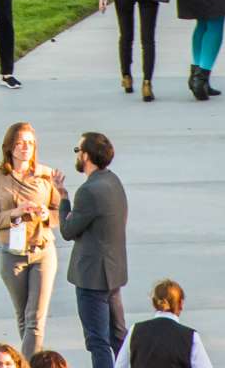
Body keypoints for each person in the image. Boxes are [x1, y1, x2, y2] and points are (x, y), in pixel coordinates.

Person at [0, 121, 63, 360]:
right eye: (19, 143)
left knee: (35, 318)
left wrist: (47, 215)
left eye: (29, 143)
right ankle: (27, 361)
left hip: (42, 251)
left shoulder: (46, 174)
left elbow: (61, 211)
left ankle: (28, 365)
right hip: (11, 254)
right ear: (9, 147)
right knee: (23, 315)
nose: (25, 148)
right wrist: (14, 214)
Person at [62, 132, 129, 368]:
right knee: (119, 337)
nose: (77, 155)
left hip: (92, 279)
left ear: (86, 155)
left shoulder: (88, 191)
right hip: (113, 274)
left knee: (97, 342)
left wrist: (63, 200)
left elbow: (68, 230)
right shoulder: (113, 181)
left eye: (78, 150)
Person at [114, 279, 213, 368]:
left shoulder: (135, 330)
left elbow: (120, 365)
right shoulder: (190, 337)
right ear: (181, 304)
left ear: (154, 303)